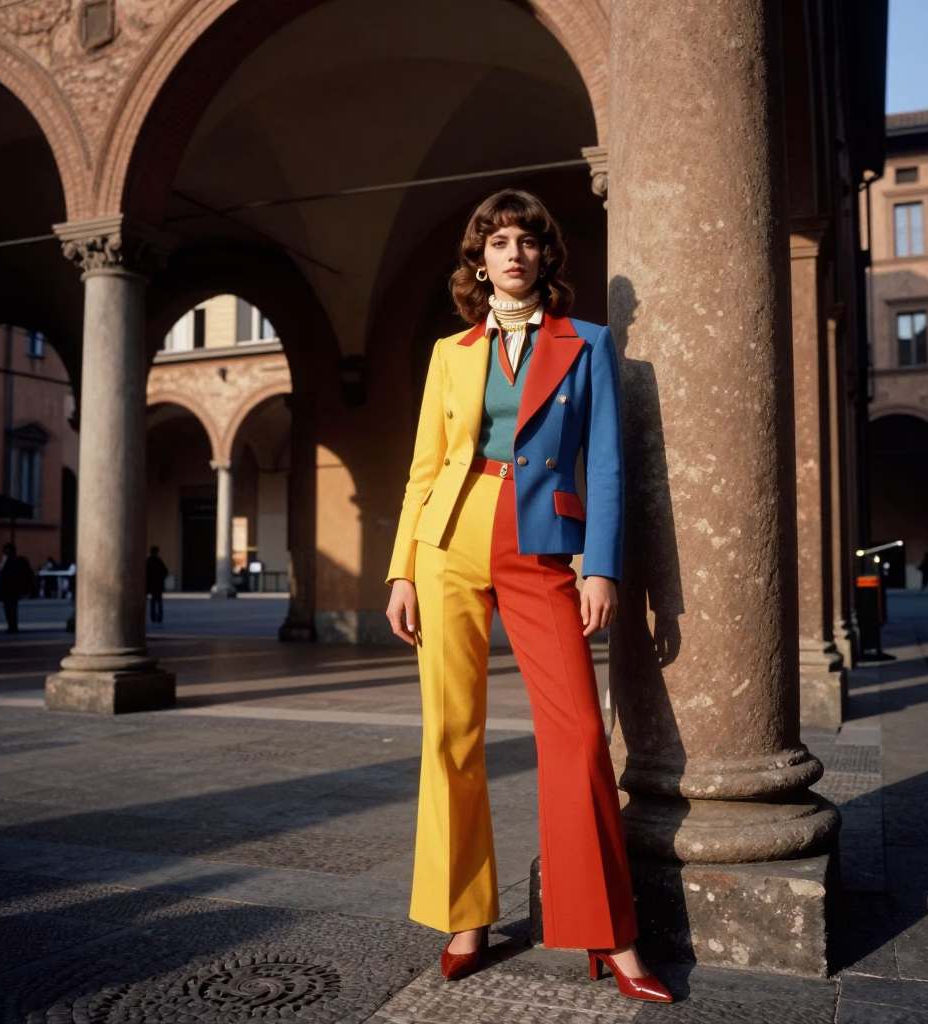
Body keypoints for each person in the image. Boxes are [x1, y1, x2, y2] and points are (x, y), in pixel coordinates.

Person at [384, 190, 671, 1004]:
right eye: (496, 243)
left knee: (579, 733)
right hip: (448, 537)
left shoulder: (586, 346)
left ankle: (606, 929)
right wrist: (402, 568)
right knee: (451, 730)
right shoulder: (452, 351)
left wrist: (602, 566)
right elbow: (422, 467)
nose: (512, 254)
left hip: (542, 542)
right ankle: (463, 914)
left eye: (526, 242)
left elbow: (608, 465)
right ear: (479, 262)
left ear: (547, 257)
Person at [0, 542, 34, 634]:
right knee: (12, 608)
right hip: (13, 589)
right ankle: (13, 626)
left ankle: (12, 626)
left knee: (9, 609)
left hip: (9, 589)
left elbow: (5, 575)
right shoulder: (18, 561)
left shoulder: (10, 561)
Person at [145, 545, 169, 624]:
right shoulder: (158, 561)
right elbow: (165, 571)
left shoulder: (148, 561)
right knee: (159, 602)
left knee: (153, 602)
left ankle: (153, 617)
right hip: (158, 584)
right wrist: (161, 578)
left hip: (151, 584)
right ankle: (159, 618)